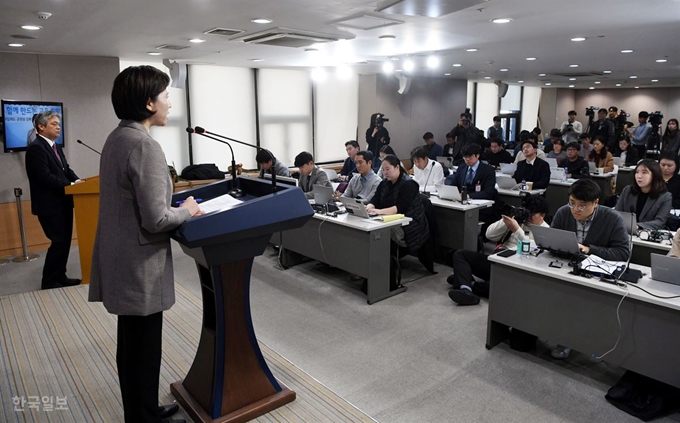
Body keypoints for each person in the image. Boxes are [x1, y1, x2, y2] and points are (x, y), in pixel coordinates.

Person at [89, 65, 200, 423]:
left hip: (121, 256)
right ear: (149, 102)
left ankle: (142, 410)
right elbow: (157, 219)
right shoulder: (144, 146)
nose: (170, 103)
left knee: (133, 344)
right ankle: (145, 417)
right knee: (144, 347)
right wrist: (186, 209)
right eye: (166, 96)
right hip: (139, 265)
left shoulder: (117, 137)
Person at [547, 179, 630, 359]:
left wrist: (589, 249)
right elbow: (552, 240)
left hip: (597, 275)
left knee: (583, 302)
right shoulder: (563, 213)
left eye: (582, 205)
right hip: (566, 268)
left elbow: (623, 253)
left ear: (596, 203)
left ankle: (587, 342)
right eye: (572, 203)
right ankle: (561, 337)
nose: (576, 209)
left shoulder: (612, 218)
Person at [447, 195, 550, 305]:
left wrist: (516, 230)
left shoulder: (546, 231)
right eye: (527, 212)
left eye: (533, 214)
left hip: (514, 270)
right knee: (460, 254)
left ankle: (466, 283)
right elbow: (489, 235)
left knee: (504, 286)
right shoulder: (518, 221)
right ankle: (466, 290)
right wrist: (506, 219)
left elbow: (535, 251)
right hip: (497, 261)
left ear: (542, 215)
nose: (528, 217)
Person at [25, 110, 82, 290]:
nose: (58, 127)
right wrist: (70, 184)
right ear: (41, 127)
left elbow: (66, 169)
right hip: (49, 205)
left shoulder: (55, 147)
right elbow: (44, 177)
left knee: (64, 241)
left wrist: (78, 182)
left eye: (59, 124)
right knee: (58, 241)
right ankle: (48, 281)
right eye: (54, 124)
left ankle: (60, 276)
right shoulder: (36, 148)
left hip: (63, 202)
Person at [367, 154, 429, 256]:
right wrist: (370, 206)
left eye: (388, 169)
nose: (385, 172)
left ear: (397, 167)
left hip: (409, 224)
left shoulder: (409, 184)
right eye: (383, 170)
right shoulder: (384, 183)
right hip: (386, 219)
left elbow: (400, 208)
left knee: (378, 232)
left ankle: (385, 263)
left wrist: (379, 211)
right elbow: (375, 199)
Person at [615, 159, 672, 230]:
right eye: (637, 172)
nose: (639, 176)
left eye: (644, 172)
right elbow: (617, 213)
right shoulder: (628, 190)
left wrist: (638, 226)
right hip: (624, 231)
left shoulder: (665, 197)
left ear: (655, 175)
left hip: (646, 234)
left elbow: (660, 222)